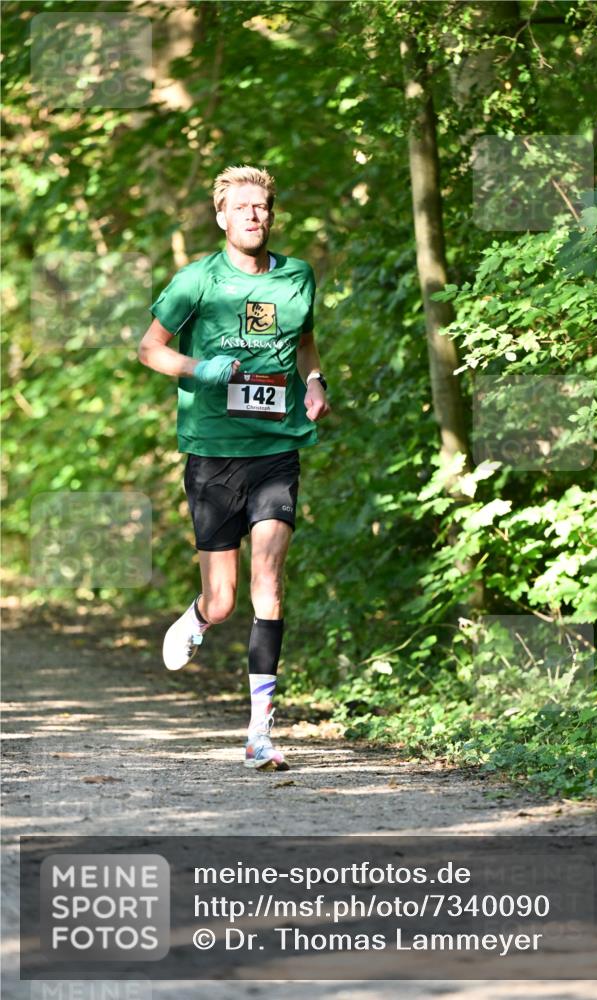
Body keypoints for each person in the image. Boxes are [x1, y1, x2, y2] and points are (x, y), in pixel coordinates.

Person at [138, 165, 329, 772]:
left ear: (271, 215)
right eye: (241, 207)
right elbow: (150, 348)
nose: (253, 215)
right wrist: (201, 370)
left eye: (262, 206)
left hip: (276, 448)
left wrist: (316, 381)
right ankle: (199, 615)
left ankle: (259, 733)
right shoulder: (196, 281)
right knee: (223, 602)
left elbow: (304, 341)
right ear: (221, 217)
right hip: (213, 451)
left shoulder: (298, 276)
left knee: (268, 579)